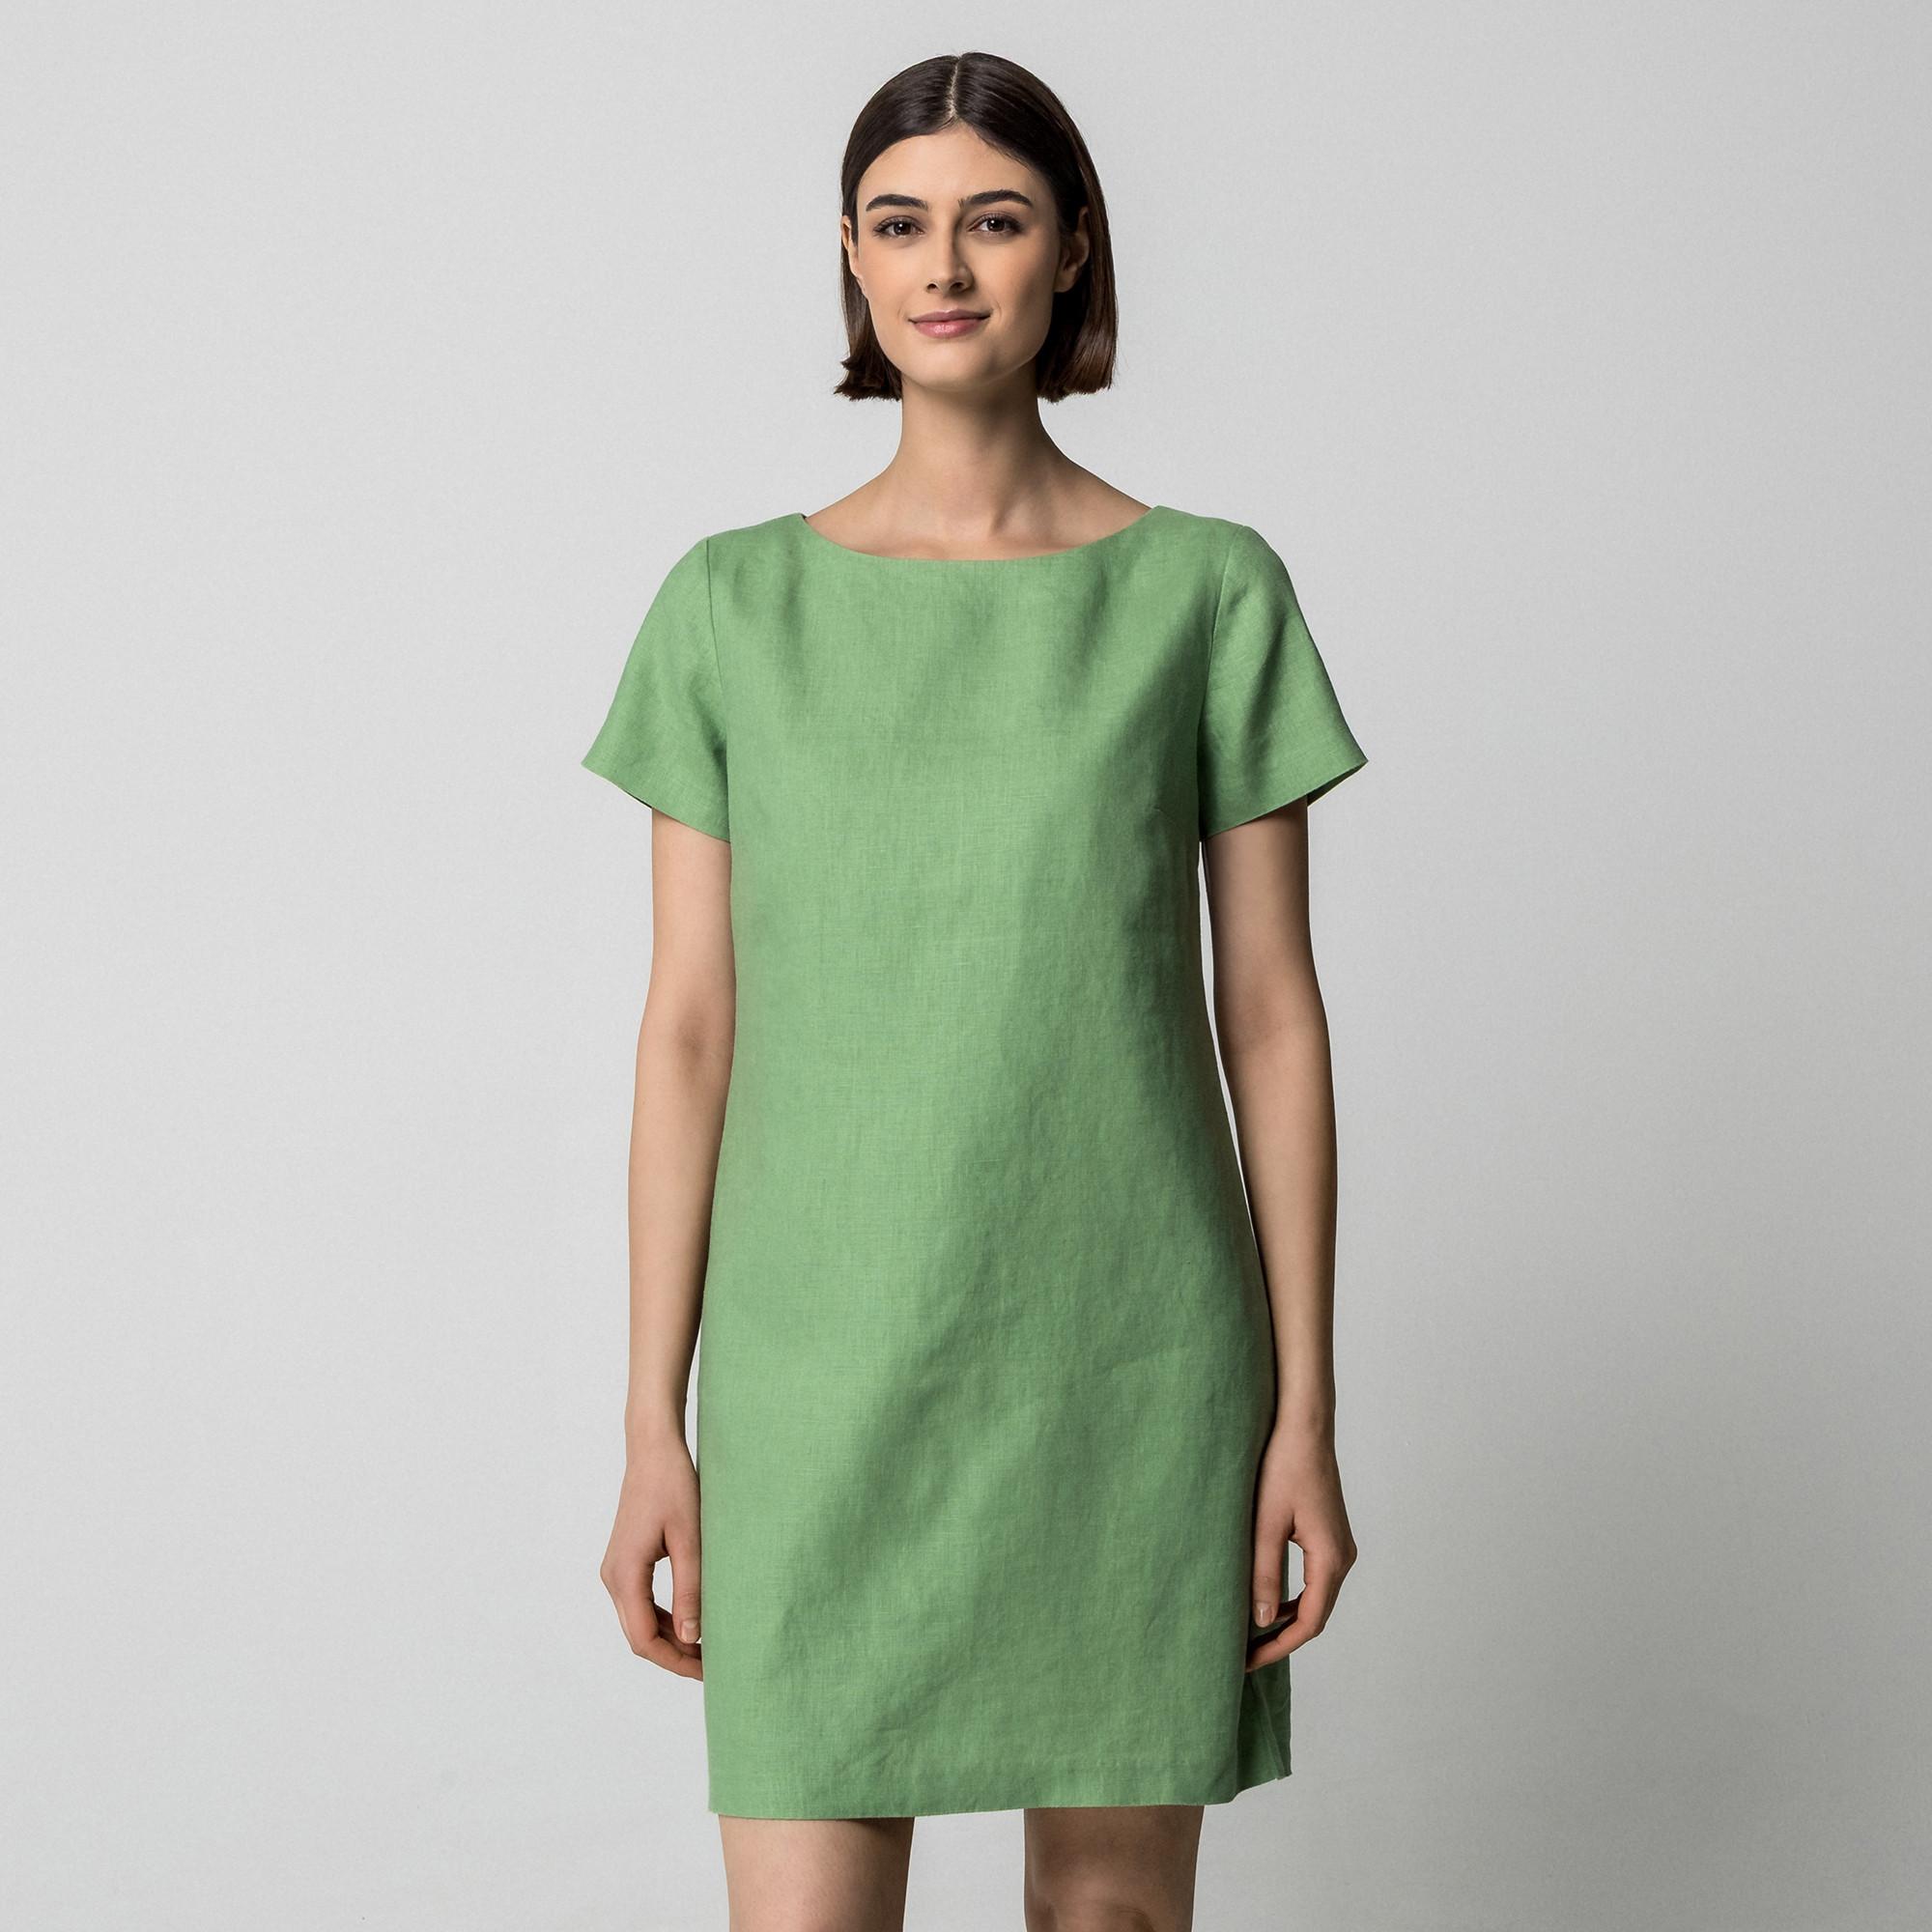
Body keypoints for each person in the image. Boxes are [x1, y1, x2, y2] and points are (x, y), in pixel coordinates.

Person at [584, 49, 1367, 1932]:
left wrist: (1302, 1417)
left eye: (995, 221)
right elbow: (689, 1033)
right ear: (851, 259)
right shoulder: (730, 608)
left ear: (1071, 250)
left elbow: (1271, 1019)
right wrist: (649, 1426)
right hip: (816, 1378)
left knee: (1111, 1920)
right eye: (900, 224)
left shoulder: (1206, 594)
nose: (944, 267)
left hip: (1128, 1367)